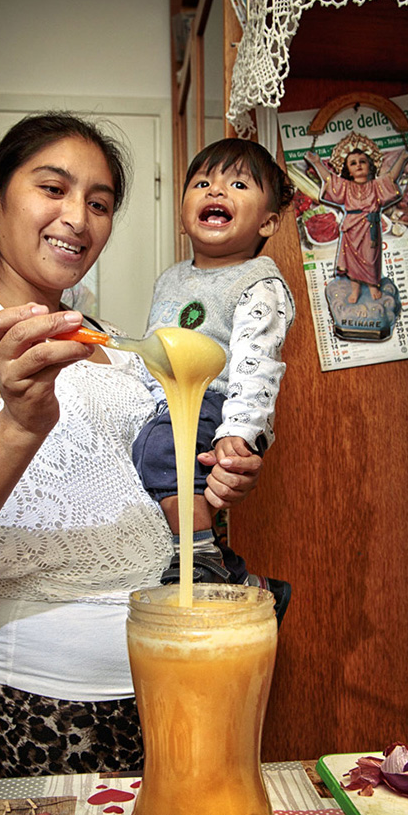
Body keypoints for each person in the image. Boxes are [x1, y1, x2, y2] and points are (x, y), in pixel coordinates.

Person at [0, 112, 263, 779]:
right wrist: (21, 422)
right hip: (50, 698)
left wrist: (215, 477)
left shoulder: (110, 343)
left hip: (174, 674)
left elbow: (152, 488)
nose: (78, 217)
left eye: (100, 202)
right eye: (53, 189)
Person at [132, 138, 295, 624]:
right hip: (167, 401)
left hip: (216, 401)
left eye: (238, 184)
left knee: (162, 452)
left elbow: (258, 364)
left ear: (266, 222)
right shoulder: (171, 278)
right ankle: (246, 582)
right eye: (202, 182)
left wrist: (238, 436)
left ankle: (199, 553)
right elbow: (155, 348)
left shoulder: (259, 282)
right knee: (146, 455)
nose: (215, 190)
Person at [305, 134, 408, 304]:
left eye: (362, 161)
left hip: (370, 226)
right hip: (351, 228)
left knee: (371, 256)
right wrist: (316, 163)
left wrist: (403, 158)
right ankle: (355, 289)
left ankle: (373, 285)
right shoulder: (346, 186)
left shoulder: (375, 186)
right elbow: (329, 180)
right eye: (353, 163)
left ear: (370, 166)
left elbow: (391, 178)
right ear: (348, 170)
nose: (358, 165)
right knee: (352, 261)